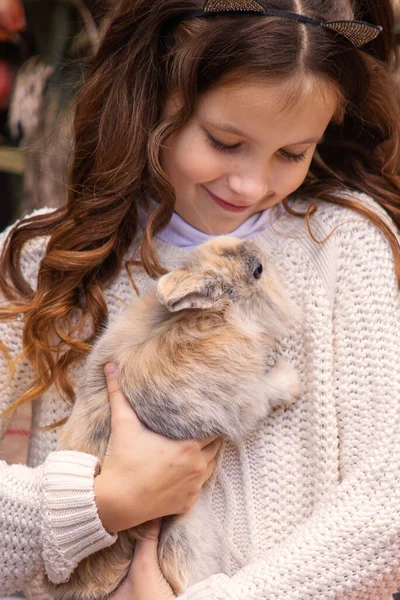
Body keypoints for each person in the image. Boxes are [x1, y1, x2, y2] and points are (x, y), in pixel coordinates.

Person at [1, 0, 400, 598]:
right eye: (224, 141)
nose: (252, 184)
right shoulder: (45, 258)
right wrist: (99, 502)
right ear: (155, 97)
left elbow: (387, 504)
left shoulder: (344, 245)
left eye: (292, 153)